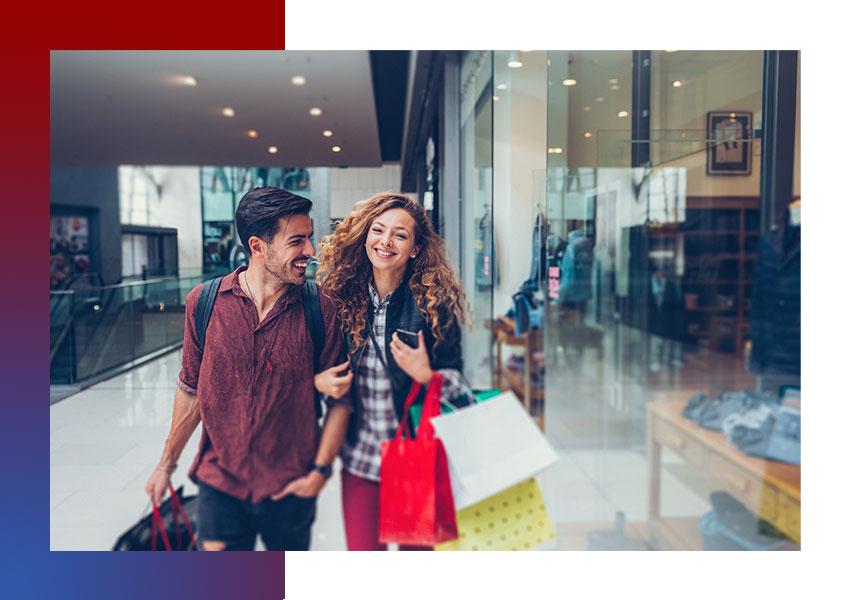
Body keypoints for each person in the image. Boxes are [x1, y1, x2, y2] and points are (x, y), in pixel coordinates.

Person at [144, 186, 352, 551]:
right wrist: (166, 465)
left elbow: (340, 402)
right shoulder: (205, 303)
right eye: (297, 241)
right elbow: (191, 391)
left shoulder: (321, 308)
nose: (310, 251)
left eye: (309, 239)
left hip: (291, 484)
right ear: (258, 246)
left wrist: (319, 473)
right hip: (220, 483)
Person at [314, 192, 469, 551]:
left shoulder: (434, 304)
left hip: (415, 458)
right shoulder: (337, 299)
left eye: (400, 235)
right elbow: (314, 366)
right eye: (378, 230)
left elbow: (460, 385)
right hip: (361, 460)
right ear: (365, 236)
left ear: (415, 248)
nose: (386, 241)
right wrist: (318, 382)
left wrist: (428, 375)